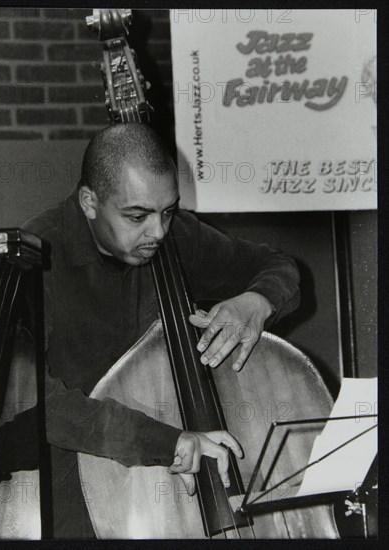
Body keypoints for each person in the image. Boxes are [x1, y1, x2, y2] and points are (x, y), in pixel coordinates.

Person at [22, 122, 300, 538]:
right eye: (137, 215)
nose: (158, 232)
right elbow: (32, 402)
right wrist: (167, 442)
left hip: (183, 483)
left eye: (168, 211)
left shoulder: (174, 238)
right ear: (89, 202)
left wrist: (256, 302)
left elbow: (277, 266)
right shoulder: (35, 256)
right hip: (80, 491)